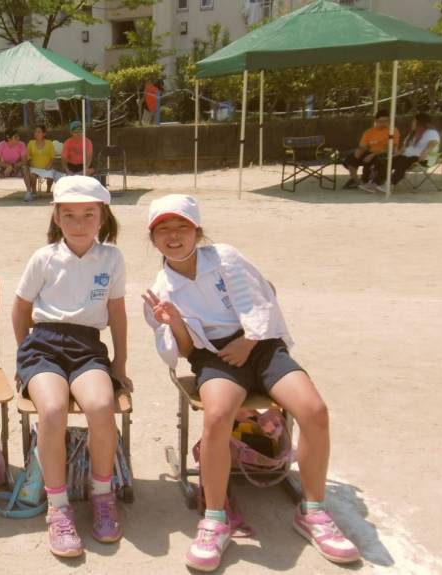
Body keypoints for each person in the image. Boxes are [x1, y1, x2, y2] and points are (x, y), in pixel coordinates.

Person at [142, 194, 361, 572]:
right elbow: (186, 350)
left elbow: (264, 296)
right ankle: (215, 518)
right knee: (217, 416)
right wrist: (173, 322)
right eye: (163, 230)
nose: (173, 236)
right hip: (215, 357)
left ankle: (313, 511)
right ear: (153, 238)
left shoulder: (225, 257)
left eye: (182, 227)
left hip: (262, 345)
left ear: (198, 232)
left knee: (314, 410)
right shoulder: (161, 287)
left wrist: (249, 340)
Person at [11, 176, 126, 558]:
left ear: (102, 216)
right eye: (70, 215)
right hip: (42, 345)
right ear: (56, 217)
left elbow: (117, 312)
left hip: (88, 347)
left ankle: (102, 495)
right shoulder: (43, 258)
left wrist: (120, 363)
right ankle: (58, 506)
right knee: (53, 409)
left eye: (88, 214)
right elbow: (20, 309)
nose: (79, 223)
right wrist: (24, 356)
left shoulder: (112, 258)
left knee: (101, 406)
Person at [361, 112, 440, 193]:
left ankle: (390, 185)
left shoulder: (431, 133)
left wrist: (422, 157)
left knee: (402, 160)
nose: (412, 123)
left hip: (423, 159)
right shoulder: (412, 135)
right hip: (406, 158)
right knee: (389, 161)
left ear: (420, 123)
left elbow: (431, 145)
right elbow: (403, 150)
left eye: (414, 121)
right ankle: (374, 183)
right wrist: (393, 156)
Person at [342, 109, 399, 189]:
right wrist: (360, 151)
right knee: (352, 157)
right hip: (370, 152)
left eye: (386, 121)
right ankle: (356, 180)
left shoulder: (393, 131)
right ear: (376, 121)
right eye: (381, 121)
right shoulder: (369, 132)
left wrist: (373, 155)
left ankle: (372, 180)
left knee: (377, 160)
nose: (383, 124)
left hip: (384, 154)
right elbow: (363, 146)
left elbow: (391, 148)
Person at [0, 129, 29, 203]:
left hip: (17, 167)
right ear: (8, 138)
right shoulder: (1, 145)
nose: (18, 138)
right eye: (16, 137)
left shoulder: (21, 144)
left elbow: (25, 161)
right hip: (4, 167)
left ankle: (28, 192)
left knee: (25, 168)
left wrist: (12, 166)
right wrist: (7, 166)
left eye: (18, 136)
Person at [26, 124, 57, 202]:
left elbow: (53, 157)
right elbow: (28, 155)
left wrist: (49, 165)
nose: (36, 133)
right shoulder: (30, 143)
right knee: (32, 175)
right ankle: (34, 191)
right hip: (34, 167)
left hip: (46, 167)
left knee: (50, 176)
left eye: (39, 132)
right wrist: (30, 162)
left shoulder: (49, 143)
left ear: (44, 134)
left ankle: (48, 190)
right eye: (35, 132)